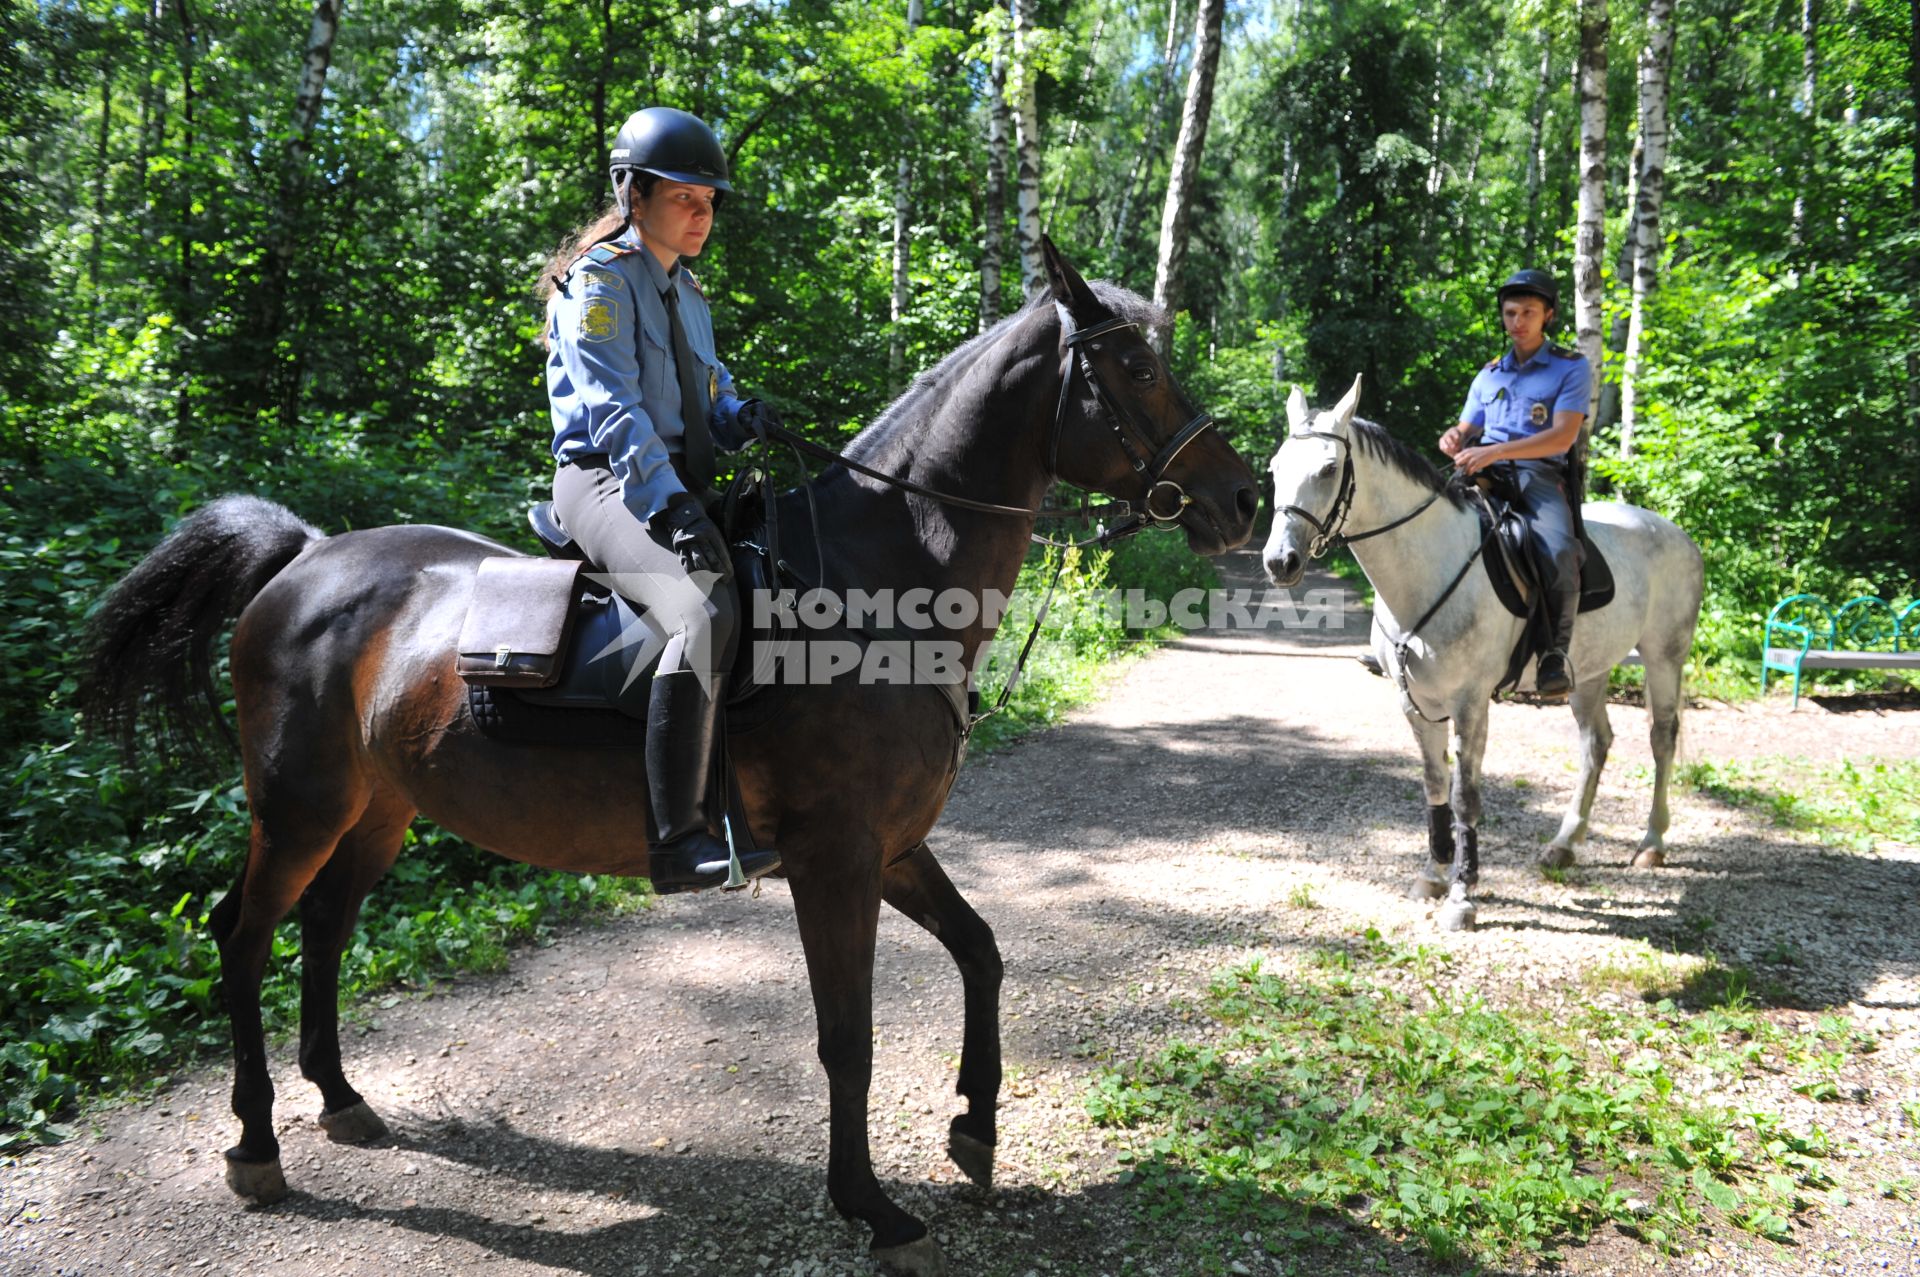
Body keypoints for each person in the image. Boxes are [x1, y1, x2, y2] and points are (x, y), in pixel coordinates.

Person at [538, 105, 782, 893]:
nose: (702, 213)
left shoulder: (690, 293)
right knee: (702, 610)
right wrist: (672, 508)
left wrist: (740, 415)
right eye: (684, 197)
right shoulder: (600, 283)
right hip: (609, 480)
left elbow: (709, 389)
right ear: (633, 194)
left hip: (680, 478)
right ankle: (677, 839)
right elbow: (615, 411)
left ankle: (747, 805)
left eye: (709, 200)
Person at [1437, 269, 1592, 700]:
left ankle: (1554, 655)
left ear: (1548, 316)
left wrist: (1495, 452)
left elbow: (1563, 437)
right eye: (1510, 313)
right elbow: (1466, 426)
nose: (1517, 321)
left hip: (1538, 476)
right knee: (1419, 522)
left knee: (1560, 551)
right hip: (1480, 471)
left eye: (1528, 312)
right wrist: (1452, 437)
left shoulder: (1570, 367)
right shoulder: (1489, 374)